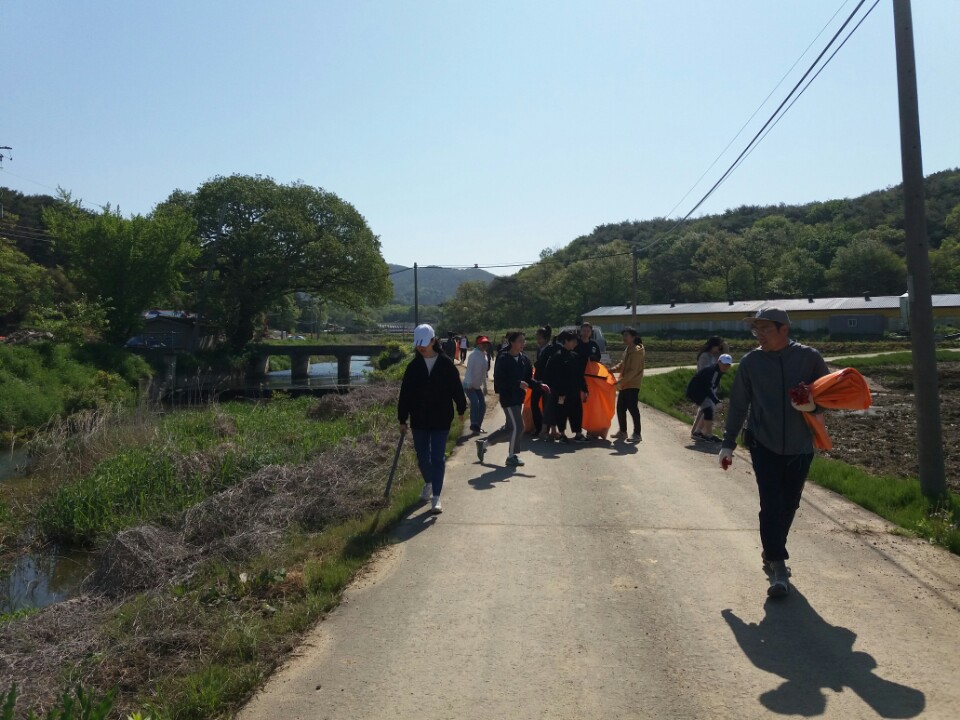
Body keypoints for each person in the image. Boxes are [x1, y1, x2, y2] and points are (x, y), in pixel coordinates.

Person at [719, 308, 829, 599]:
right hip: (762, 443)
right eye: (756, 330)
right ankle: (779, 568)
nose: (759, 335)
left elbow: (831, 396)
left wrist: (812, 406)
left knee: (789, 504)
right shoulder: (752, 362)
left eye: (765, 329)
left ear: (784, 329)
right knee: (771, 503)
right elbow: (739, 405)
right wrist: (727, 443)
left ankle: (771, 551)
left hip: (801, 445)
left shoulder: (809, 358)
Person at [398, 323, 467, 514]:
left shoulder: (445, 365)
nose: (421, 347)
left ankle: (436, 496)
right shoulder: (413, 367)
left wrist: (461, 408)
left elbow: (456, 389)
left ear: (433, 341)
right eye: (418, 344)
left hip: (441, 418)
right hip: (419, 419)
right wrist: (402, 419)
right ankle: (429, 481)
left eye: (424, 344)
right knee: (422, 458)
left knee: (437, 458)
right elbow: (405, 394)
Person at [476, 331, 548, 467]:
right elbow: (499, 380)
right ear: (512, 343)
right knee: (519, 427)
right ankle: (511, 456)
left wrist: (539, 385)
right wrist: (517, 383)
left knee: (510, 428)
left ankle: (484, 443)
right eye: (520, 341)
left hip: (518, 397)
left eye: (524, 341)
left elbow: (528, 379)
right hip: (508, 399)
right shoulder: (503, 358)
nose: (523, 343)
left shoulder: (524, 359)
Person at [541, 330, 586, 443]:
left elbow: (580, 375)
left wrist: (585, 389)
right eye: (573, 341)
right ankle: (562, 434)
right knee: (562, 412)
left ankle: (578, 433)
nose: (575, 343)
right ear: (566, 341)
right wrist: (558, 391)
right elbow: (550, 376)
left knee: (577, 412)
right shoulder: (557, 357)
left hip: (575, 391)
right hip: (561, 392)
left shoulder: (575, 356)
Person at [686, 353, 734, 443]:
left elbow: (712, 386)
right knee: (708, 409)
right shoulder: (713, 371)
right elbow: (709, 387)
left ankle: (698, 432)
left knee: (708, 408)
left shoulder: (718, 370)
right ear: (719, 362)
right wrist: (716, 401)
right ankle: (708, 435)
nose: (725, 366)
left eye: (728, 365)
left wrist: (715, 400)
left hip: (700, 391)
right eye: (724, 363)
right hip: (695, 391)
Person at [610, 327, 645, 442]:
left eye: (626, 336)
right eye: (623, 336)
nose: (624, 338)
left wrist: (620, 382)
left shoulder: (637, 351)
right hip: (625, 384)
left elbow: (633, 371)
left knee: (633, 409)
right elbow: (623, 364)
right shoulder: (628, 349)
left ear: (633, 337)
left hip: (632, 384)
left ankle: (637, 433)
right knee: (620, 408)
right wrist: (613, 369)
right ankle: (623, 431)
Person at [569, 322, 601, 442]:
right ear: (580, 331)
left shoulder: (594, 344)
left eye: (588, 330)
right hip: (577, 377)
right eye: (584, 330)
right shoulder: (576, 343)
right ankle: (577, 430)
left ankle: (591, 430)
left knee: (590, 405)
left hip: (591, 378)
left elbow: (598, 357)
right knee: (577, 404)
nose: (586, 332)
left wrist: (593, 359)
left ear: (591, 332)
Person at [691, 336, 726, 439]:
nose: (719, 349)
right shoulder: (705, 356)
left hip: (710, 387)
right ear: (713, 345)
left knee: (704, 409)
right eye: (718, 346)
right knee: (708, 409)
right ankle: (698, 432)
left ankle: (698, 432)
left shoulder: (713, 356)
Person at [530, 325, 557, 438]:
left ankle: (547, 428)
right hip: (538, 380)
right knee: (534, 403)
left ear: (545, 338)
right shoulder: (539, 349)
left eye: (539, 338)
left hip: (547, 381)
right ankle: (539, 426)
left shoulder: (551, 349)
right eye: (537, 338)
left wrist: (537, 364)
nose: (538, 340)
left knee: (547, 405)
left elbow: (546, 365)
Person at [463, 335, 490, 433]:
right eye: (482, 343)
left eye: (486, 344)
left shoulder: (485, 356)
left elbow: (484, 373)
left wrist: (485, 386)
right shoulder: (473, 355)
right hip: (468, 384)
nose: (484, 345)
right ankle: (473, 424)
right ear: (478, 344)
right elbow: (469, 370)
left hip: (477, 385)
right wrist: (469, 383)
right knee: (475, 402)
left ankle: (478, 426)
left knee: (483, 404)